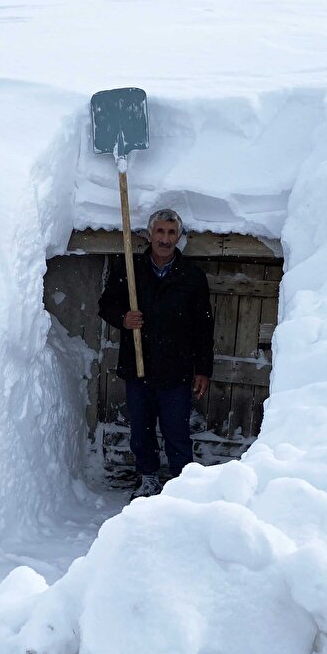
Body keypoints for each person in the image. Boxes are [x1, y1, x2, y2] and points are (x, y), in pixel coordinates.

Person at [99, 208, 214, 499]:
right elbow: (106, 305)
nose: (165, 238)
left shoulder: (191, 277)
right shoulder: (130, 269)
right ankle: (148, 479)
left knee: (176, 431)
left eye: (171, 232)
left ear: (179, 237)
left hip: (176, 368)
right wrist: (123, 318)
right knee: (141, 430)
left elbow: (203, 325)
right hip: (138, 366)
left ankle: (180, 486)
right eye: (160, 231)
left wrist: (203, 369)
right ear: (150, 234)